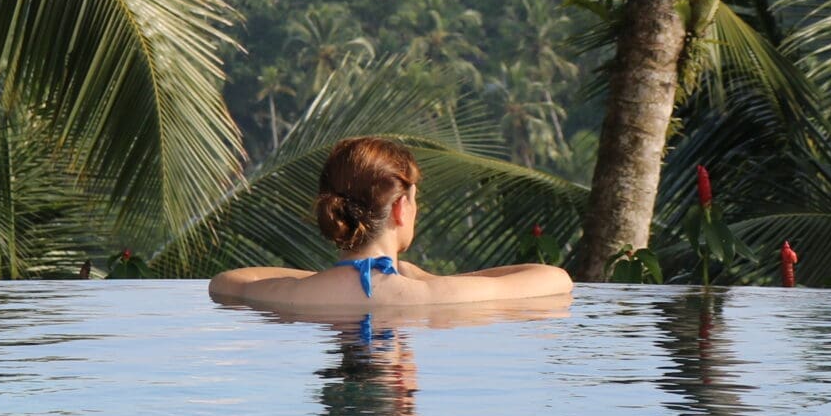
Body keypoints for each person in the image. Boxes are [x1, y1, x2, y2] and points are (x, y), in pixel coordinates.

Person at [208, 136, 573, 310]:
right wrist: (425, 277)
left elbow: (226, 282)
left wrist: (331, 277)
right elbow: (557, 279)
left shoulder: (290, 297)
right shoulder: (437, 299)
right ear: (401, 208)